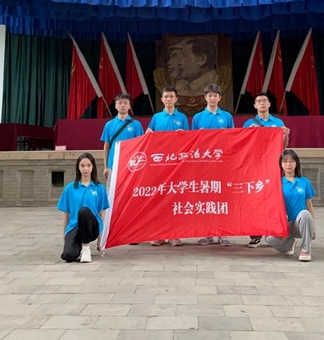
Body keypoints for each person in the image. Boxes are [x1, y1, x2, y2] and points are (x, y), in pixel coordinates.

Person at [243, 92, 291, 248]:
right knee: (255, 198)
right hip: (255, 166)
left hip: (273, 165)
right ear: (255, 105)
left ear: (269, 104)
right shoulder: (249, 123)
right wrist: (250, 133)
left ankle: (273, 232)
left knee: (273, 198)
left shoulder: (278, 122)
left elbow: (283, 147)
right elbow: (244, 147)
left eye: (265, 100)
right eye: (259, 101)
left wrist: (286, 136)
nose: (262, 103)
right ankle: (255, 234)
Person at [192, 84, 235, 246]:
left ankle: (223, 233)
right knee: (206, 198)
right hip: (204, 165)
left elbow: (233, 139)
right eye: (209, 95)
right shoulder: (197, 118)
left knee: (223, 198)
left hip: (223, 164)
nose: (212, 98)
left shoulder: (227, 117)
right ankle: (207, 233)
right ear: (205, 98)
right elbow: (192, 142)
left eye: (215, 95)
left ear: (219, 98)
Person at [147, 85, 189, 247]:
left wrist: (183, 136)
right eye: (166, 97)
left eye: (171, 97)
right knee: (159, 199)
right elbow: (147, 139)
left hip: (177, 165)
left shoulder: (182, 118)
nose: (169, 99)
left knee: (176, 200)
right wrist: (148, 135)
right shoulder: (156, 117)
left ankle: (174, 234)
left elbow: (189, 140)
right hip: (159, 165)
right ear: (162, 99)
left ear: (176, 99)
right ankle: (159, 235)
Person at [57, 152, 109, 263]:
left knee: (84, 211)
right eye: (82, 165)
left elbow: (102, 214)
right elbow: (66, 214)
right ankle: (78, 247)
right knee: (68, 256)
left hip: (92, 226)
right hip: (75, 226)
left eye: (89, 165)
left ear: (93, 167)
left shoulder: (99, 188)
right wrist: (65, 235)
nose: (86, 169)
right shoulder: (70, 188)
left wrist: (101, 238)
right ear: (78, 167)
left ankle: (86, 248)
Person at [266, 149, 316, 262]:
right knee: (269, 239)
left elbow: (309, 204)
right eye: (285, 161)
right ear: (280, 164)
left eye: (291, 161)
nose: (288, 164)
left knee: (305, 213)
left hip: (299, 223)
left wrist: (313, 227)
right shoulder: (277, 183)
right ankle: (289, 245)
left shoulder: (304, 182)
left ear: (296, 163)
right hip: (284, 223)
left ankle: (306, 249)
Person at [100, 93, 144, 182]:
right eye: (119, 103)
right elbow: (106, 146)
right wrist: (106, 167)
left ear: (129, 106)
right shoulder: (109, 125)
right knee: (113, 189)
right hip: (113, 164)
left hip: (131, 164)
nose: (122, 105)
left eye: (125, 103)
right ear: (115, 106)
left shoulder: (136, 124)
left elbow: (141, 146)